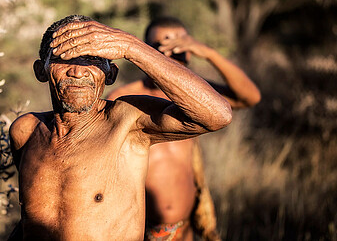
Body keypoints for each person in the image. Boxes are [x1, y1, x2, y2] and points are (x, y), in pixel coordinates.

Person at [8, 14, 232, 240]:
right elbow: (34, 219)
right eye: (64, 58)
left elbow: (218, 115)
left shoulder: (126, 124)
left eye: (93, 60)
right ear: (40, 71)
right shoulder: (26, 131)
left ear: (111, 74)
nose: (78, 71)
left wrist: (131, 46)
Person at [107, 17, 261, 241]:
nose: (170, 54)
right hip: (139, 231)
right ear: (146, 51)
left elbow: (249, 97)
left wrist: (208, 53)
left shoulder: (199, 99)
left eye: (178, 48)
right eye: (161, 48)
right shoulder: (124, 97)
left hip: (185, 229)